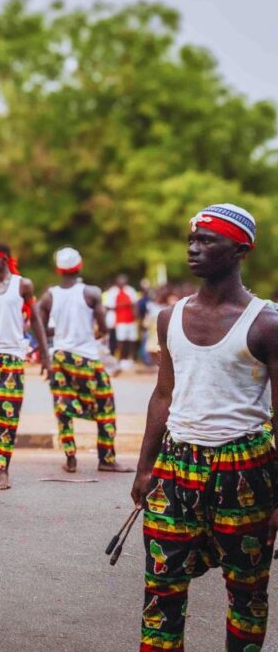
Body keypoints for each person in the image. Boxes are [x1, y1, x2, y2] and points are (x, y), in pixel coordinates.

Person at [131, 204, 278, 652]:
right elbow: (163, 395)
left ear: (240, 250)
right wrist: (145, 468)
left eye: (207, 240)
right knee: (162, 586)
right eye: (192, 240)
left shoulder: (267, 324)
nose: (193, 248)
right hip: (176, 464)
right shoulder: (169, 318)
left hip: (245, 468)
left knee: (247, 590)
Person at [37, 248, 131, 474]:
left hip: (61, 358)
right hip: (87, 358)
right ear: (79, 266)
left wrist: (45, 354)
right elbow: (103, 327)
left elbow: (38, 323)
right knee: (105, 406)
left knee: (63, 408)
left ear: (58, 270)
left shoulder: (50, 296)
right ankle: (106, 459)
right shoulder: (91, 292)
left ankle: (70, 458)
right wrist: (95, 332)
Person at [0, 244, 50, 490]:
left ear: (3, 259)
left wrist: (45, 356)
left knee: (7, 414)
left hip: (12, 355)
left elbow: (35, 319)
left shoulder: (23, 285)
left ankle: (4, 470)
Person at [105, 274, 139, 370]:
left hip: (131, 319)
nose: (122, 283)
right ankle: (121, 359)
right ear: (117, 282)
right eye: (120, 282)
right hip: (120, 320)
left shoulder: (130, 290)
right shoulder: (113, 291)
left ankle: (131, 359)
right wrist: (125, 304)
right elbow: (109, 306)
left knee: (132, 340)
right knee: (121, 341)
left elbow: (135, 304)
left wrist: (136, 314)